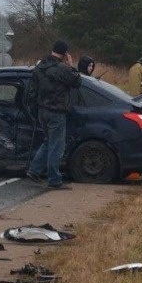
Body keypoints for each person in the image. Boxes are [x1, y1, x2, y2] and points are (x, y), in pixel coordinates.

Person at [27, 40, 82, 190]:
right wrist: (70, 66)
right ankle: (54, 179)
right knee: (57, 146)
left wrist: (34, 110)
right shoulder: (62, 68)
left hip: (42, 111)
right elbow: (77, 81)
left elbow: (32, 92)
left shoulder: (39, 67)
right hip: (56, 111)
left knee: (48, 141)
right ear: (65, 53)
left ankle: (34, 170)